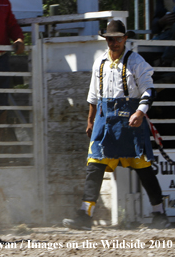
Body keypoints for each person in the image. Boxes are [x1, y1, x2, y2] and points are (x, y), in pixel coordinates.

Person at [63, 20, 170, 230]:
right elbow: (94, 95)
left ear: (125, 38)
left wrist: (140, 111)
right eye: (111, 39)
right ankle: (85, 215)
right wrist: (90, 119)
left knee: (144, 168)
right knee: (94, 165)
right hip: (105, 120)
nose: (114, 43)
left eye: (118, 38)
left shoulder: (136, 62)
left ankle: (159, 214)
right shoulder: (99, 62)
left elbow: (149, 90)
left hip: (130, 119)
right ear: (107, 40)